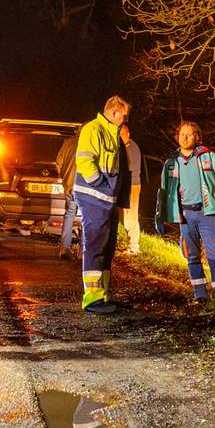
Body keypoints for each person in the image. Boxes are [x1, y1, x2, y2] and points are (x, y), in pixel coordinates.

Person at [155, 120, 215, 303]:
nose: (185, 137)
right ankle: (200, 295)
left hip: (207, 214)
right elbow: (163, 192)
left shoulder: (207, 156)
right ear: (177, 136)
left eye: (189, 134)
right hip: (185, 216)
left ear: (196, 137)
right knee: (192, 256)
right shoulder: (171, 162)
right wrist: (160, 218)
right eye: (182, 134)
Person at [73, 96, 131, 314]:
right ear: (115, 112)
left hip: (107, 201)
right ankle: (92, 298)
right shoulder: (93, 129)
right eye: (124, 116)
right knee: (96, 245)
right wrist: (102, 186)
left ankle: (103, 296)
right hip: (94, 197)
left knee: (107, 248)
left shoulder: (113, 133)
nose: (126, 120)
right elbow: (85, 162)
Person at [119, 123, 143, 254]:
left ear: (128, 134)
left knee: (130, 216)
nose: (120, 136)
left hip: (132, 185)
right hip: (127, 184)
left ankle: (134, 246)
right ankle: (131, 244)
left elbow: (127, 169)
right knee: (124, 215)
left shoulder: (131, 148)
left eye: (123, 134)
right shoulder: (125, 146)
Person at [56, 133, 79, 260]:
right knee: (87, 218)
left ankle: (64, 248)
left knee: (69, 214)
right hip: (84, 186)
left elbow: (58, 163)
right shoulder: (91, 142)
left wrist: (64, 178)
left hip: (69, 185)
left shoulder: (68, 142)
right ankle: (83, 252)